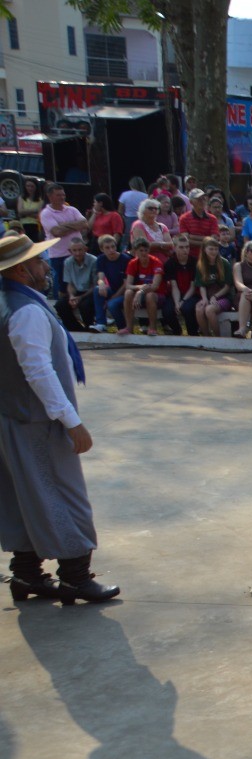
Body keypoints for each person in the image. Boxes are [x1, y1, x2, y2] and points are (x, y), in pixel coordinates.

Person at [0, 232, 118, 604]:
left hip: (13, 414)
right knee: (63, 495)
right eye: (38, 262)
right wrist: (71, 421)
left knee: (22, 495)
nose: (45, 266)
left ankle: (26, 575)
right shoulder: (26, 311)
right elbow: (38, 371)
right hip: (35, 420)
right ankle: (75, 578)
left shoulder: (9, 302)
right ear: (21, 270)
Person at [40, 184, 90, 295]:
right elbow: (57, 232)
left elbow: (85, 224)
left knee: (82, 284)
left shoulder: (72, 210)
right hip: (59, 256)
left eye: (63, 195)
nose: (62, 197)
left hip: (78, 253)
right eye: (58, 195)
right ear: (50, 196)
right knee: (63, 286)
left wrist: (63, 225)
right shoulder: (46, 213)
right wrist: (75, 225)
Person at [121, 239, 164, 336]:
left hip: (157, 294)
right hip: (140, 294)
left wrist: (140, 292)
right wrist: (140, 288)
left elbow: (155, 286)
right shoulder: (132, 263)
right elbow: (128, 285)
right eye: (141, 250)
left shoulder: (156, 262)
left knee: (150, 296)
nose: (144, 253)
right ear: (135, 251)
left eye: (146, 250)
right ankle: (129, 328)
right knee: (128, 293)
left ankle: (152, 328)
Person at [191, 238, 231, 338]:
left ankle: (217, 337)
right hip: (208, 295)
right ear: (204, 249)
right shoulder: (201, 265)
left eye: (216, 249)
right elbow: (201, 285)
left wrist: (215, 296)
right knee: (199, 309)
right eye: (211, 249)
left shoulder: (224, 263)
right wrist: (204, 298)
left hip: (223, 297)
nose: (214, 252)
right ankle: (206, 336)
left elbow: (227, 286)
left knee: (209, 310)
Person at [55, 238, 96, 333]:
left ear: (85, 249)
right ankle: (75, 329)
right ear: (70, 251)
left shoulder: (94, 261)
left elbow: (95, 285)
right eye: (74, 250)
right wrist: (72, 296)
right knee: (60, 305)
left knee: (85, 306)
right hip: (76, 291)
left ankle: (89, 327)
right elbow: (70, 283)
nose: (77, 253)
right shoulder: (67, 262)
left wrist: (81, 297)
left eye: (80, 250)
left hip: (90, 292)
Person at [92, 235, 129, 333]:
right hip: (112, 289)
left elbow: (126, 284)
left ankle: (122, 328)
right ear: (102, 249)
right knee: (97, 289)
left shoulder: (124, 259)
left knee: (112, 304)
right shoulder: (101, 259)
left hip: (126, 292)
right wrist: (101, 283)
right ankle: (101, 323)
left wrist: (112, 298)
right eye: (107, 248)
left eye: (113, 246)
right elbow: (101, 276)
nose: (111, 250)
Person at [160, 235, 197, 336]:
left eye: (187, 247)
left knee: (187, 309)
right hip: (176, 293)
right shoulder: (169, 263)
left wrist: (183, 301)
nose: (185, 250)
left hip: (192, 294)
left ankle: (193, 334)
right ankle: (177, 331)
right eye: (181, 247)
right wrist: (177, 303)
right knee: (167, 311)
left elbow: (193, 286)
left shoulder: (195, 262)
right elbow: (174, 286)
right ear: (175, 248)